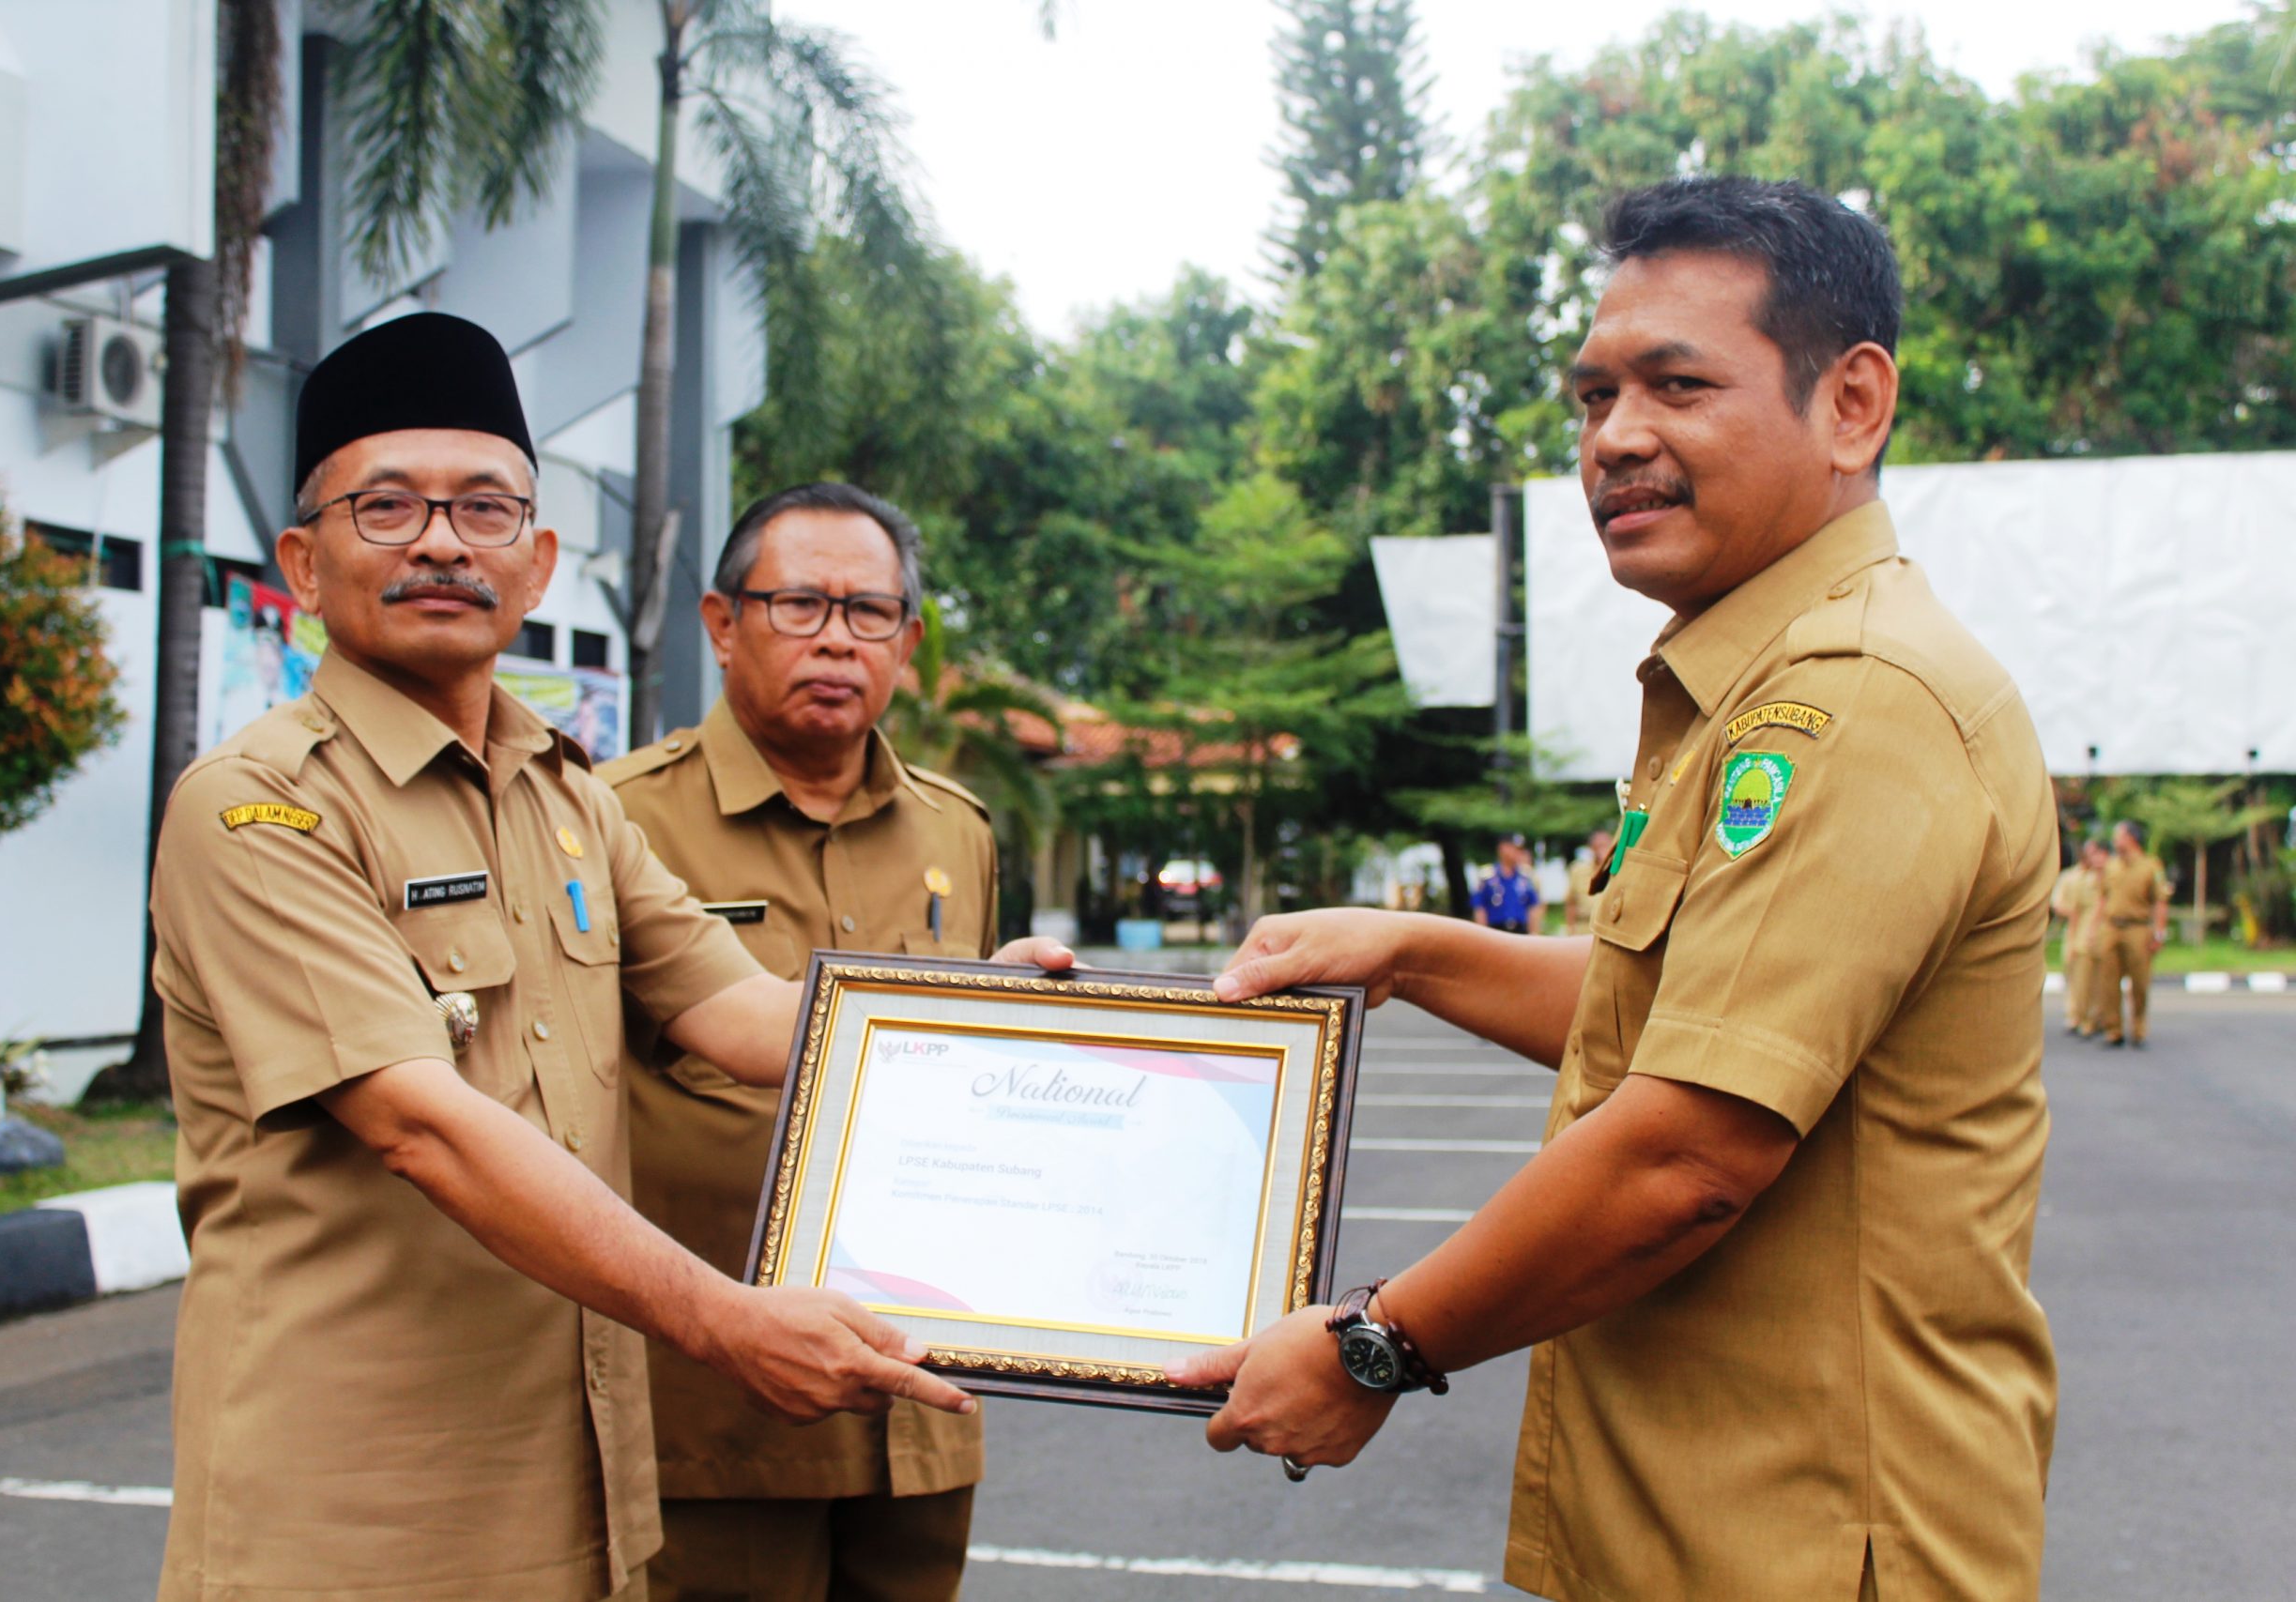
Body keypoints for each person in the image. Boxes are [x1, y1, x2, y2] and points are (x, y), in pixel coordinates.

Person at [1172, 176, 2058, 1602]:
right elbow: (1690, 1008)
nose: (1616, 439)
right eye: (1592, 397)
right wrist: (1412, 951)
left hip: (1805, 1537)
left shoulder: (1855, 694)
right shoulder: (1756, 678)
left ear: (1851, 403)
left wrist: (1372, 1343)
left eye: (1676, 384)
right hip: (1706, 1517)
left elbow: (1687, 1148)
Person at [145, 313, 1069, 1602]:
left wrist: (985, 1017)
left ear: (536, 562)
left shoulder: (566, 800)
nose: (440, 542)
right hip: (356, 1512)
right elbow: (422, 1122)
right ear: (305, 559)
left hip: (579, 1488)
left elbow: (742, 1010)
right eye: (388, 507)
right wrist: (723, 1317)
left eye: (483, 509)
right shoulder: (260, 807)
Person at [597, 483, 994, 1602]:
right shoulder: (613, 818)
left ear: (907, 644)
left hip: (919, 1400)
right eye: (799, 604)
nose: (836, 638)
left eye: (869, 612)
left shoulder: (954, 832)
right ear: (722, 625)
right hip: (713, 1412)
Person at [2098, 818, 2171, 1048]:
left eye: (2118, 835)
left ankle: (2138, 1027)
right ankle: (2113, 1030)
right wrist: (2095, 928)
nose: (2114, 840)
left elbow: (2160, 901)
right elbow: (2102, 897)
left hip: (2137, 928)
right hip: (2111, 927)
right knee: (2108, 980)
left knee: (2139, 981)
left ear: (2131, 838)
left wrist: (2159, 933)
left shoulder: (2151, 866)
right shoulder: (2110, 865)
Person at [2053, 837, 2107, 1036]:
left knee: (2101, 980)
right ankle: (2079, 1016)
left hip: (2104, 932)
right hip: (2081, 932)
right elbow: (2067, 907)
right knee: (2078, 978)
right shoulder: (2075, 877)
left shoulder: (2107, 875)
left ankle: (2098, 1017)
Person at [1472, 834, 1540, 934]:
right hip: (1495, 931)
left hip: (1520, 931)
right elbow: (1480, 908)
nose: (1518, 853)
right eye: (1514, 849)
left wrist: (1534, 933)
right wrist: (1481, 934)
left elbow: (1533, 907)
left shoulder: (1525, 877)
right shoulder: (1487, 877)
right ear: (1502, 848)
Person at [1563, 826, 1614, 936]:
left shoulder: (1617, 870)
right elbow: (1571, 902)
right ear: (1591, 848)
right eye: (1598, 846)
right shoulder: (1579, 870)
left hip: (1607, 927)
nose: (1602, 849)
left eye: (1605, 845)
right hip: (1584, 925)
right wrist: (1570, 929)